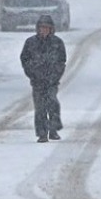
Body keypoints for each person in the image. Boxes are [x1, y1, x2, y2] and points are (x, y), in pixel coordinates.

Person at [20, 15, 67, 143]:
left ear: (51, 29)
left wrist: (56, 75)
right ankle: (42, 133)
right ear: (38, 29)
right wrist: (32, 73)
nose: (44, 30)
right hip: (37, 81)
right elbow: (24, 59)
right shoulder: (30, 43)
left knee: (52, 103)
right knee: (40, 107)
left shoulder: (57, 43)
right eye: (42, 28)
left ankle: (53, 129)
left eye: (47, 28)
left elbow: (62, 61)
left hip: (52, 81)